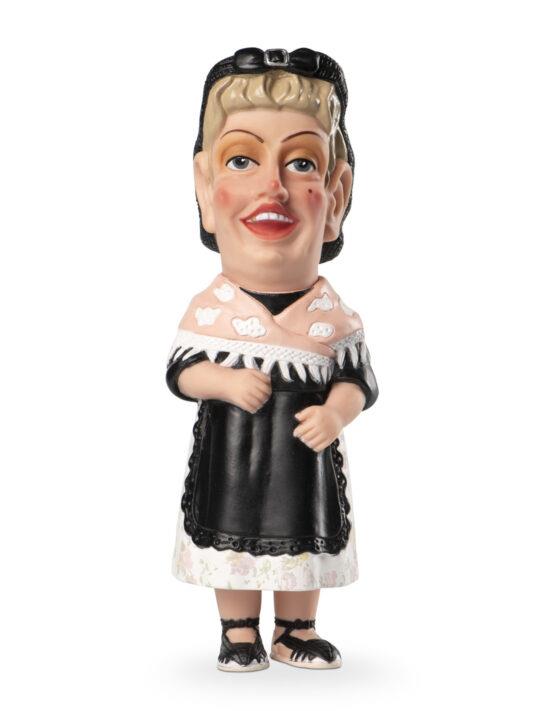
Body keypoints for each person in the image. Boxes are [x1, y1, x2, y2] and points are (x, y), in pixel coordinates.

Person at [166, 47, 378, 672]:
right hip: (232, 461)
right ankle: (238, 630)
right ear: (205, 190)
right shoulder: (213, 309)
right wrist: (223, 382)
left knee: (302, 547)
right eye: (242, 159)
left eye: (302, 162)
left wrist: (335, 415)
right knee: (230, 545)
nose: (272, 187)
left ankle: (295, 627)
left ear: (335, 197)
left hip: (302, 470)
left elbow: (356, 380)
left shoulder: (333, 317)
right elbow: (182, 371)